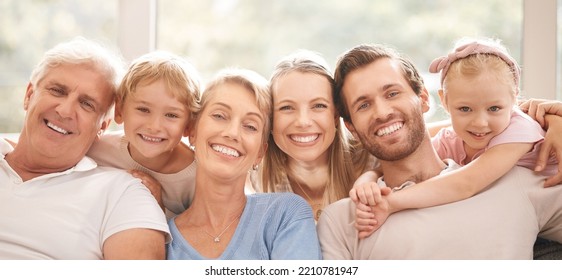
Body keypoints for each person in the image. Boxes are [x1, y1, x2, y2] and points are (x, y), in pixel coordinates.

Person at [316, 43, 562, 259]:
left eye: (392, 93)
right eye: (364, 105)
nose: (382, 112)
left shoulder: (511, 177)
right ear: (351, 128)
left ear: (423, 98)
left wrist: (552, 119)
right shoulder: (344, 219)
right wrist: (367, 179)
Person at [0, 37, 170, 259]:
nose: (65, 110)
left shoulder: (123, 193)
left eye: (87, 104)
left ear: (102, 126)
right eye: (57, 91)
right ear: (29, 95)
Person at [166, 68, 321, 260]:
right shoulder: (163, 240)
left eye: (250, 126)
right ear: (192, 131)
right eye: (219, 116)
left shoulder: (284, 215)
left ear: (260, 153)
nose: (232, 133)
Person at [253, 50, 375, 221]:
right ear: (271, 119)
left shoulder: (372, 158)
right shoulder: (256, 175)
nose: (303, 122)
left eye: (318, 105)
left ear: (335, 115)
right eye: (287, 107)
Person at [87, 50, 201, 219]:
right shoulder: (97, 149)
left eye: (171, 115)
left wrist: (159, 206)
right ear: (119, 111)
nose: (154, 127)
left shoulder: (198, 178)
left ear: (189, 125)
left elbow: (202, 234)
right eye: (143, 110)